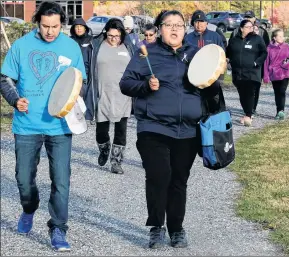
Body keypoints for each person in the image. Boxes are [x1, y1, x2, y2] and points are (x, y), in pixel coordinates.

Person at [119, 10, 221, 249]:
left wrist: (211, 79)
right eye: (169, 25)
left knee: (178, 180)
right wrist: (145, 85)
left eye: (179, 25)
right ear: (159, 29)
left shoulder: (195, 55)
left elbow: (212, 90)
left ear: (184, 29)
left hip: (188, 130)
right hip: (153, 128)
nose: (174, 29)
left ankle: (176, 228)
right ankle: (156, 227)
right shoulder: (146, 54)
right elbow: (125, 84)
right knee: (159, 175)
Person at [0, 1, 86, 251]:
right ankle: (29, 208)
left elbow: (81, 81)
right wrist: (15, 100)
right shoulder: (22, 45)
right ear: (37, 22)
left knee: (61, 180)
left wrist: (72, 102)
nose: (50, 31)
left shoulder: (71, 47)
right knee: (24, 180)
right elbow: (5, 79)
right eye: (46, 26)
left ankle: (58, 228)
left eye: (56, 26)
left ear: (62, 24)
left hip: (59, 127)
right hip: (27, 126)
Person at [85, 18, 136, 174]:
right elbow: (87, 66)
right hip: (102, 93)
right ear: (105, 32)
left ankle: (116, 162)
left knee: (121, 130)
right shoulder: (96, 45)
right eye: (111, 35)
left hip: (123, 95)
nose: (114, 39)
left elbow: (136, 68)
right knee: (101, 131)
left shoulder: (129, 47)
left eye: (117, 36)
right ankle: (104, 148)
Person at [226, 19, 267, 126]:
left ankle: (248, 115)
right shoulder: (234, 40)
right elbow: (227, 52)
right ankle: (247, 113)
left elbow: (264, 53)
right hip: (237, 73)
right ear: (241, 28)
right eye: (247, 27)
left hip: (252, 72)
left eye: (251, 27)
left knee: (249, 92)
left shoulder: (257, 39)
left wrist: (256, 63)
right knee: (242, 94)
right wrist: (227, 59)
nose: (250, 29)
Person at [263, 29, 289, 120]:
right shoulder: (269, 48)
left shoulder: (287, 46)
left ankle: (281, 111)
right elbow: (266, 63)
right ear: (274, 37)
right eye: (280, 36)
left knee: (282, 91)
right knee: (277, 93)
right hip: (274, 74)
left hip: (285, 72)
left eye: (283, 36)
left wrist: (287, 63)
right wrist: (265, 76)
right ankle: (278, 111)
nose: (282, 38)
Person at [70, 18, 93, 89]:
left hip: (87, 72)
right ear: (73, 29)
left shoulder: (91, 40)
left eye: (81, 26)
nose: (79, 29)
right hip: (73, 73)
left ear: (85, 28)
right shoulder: (70, 41)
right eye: (76, 27)